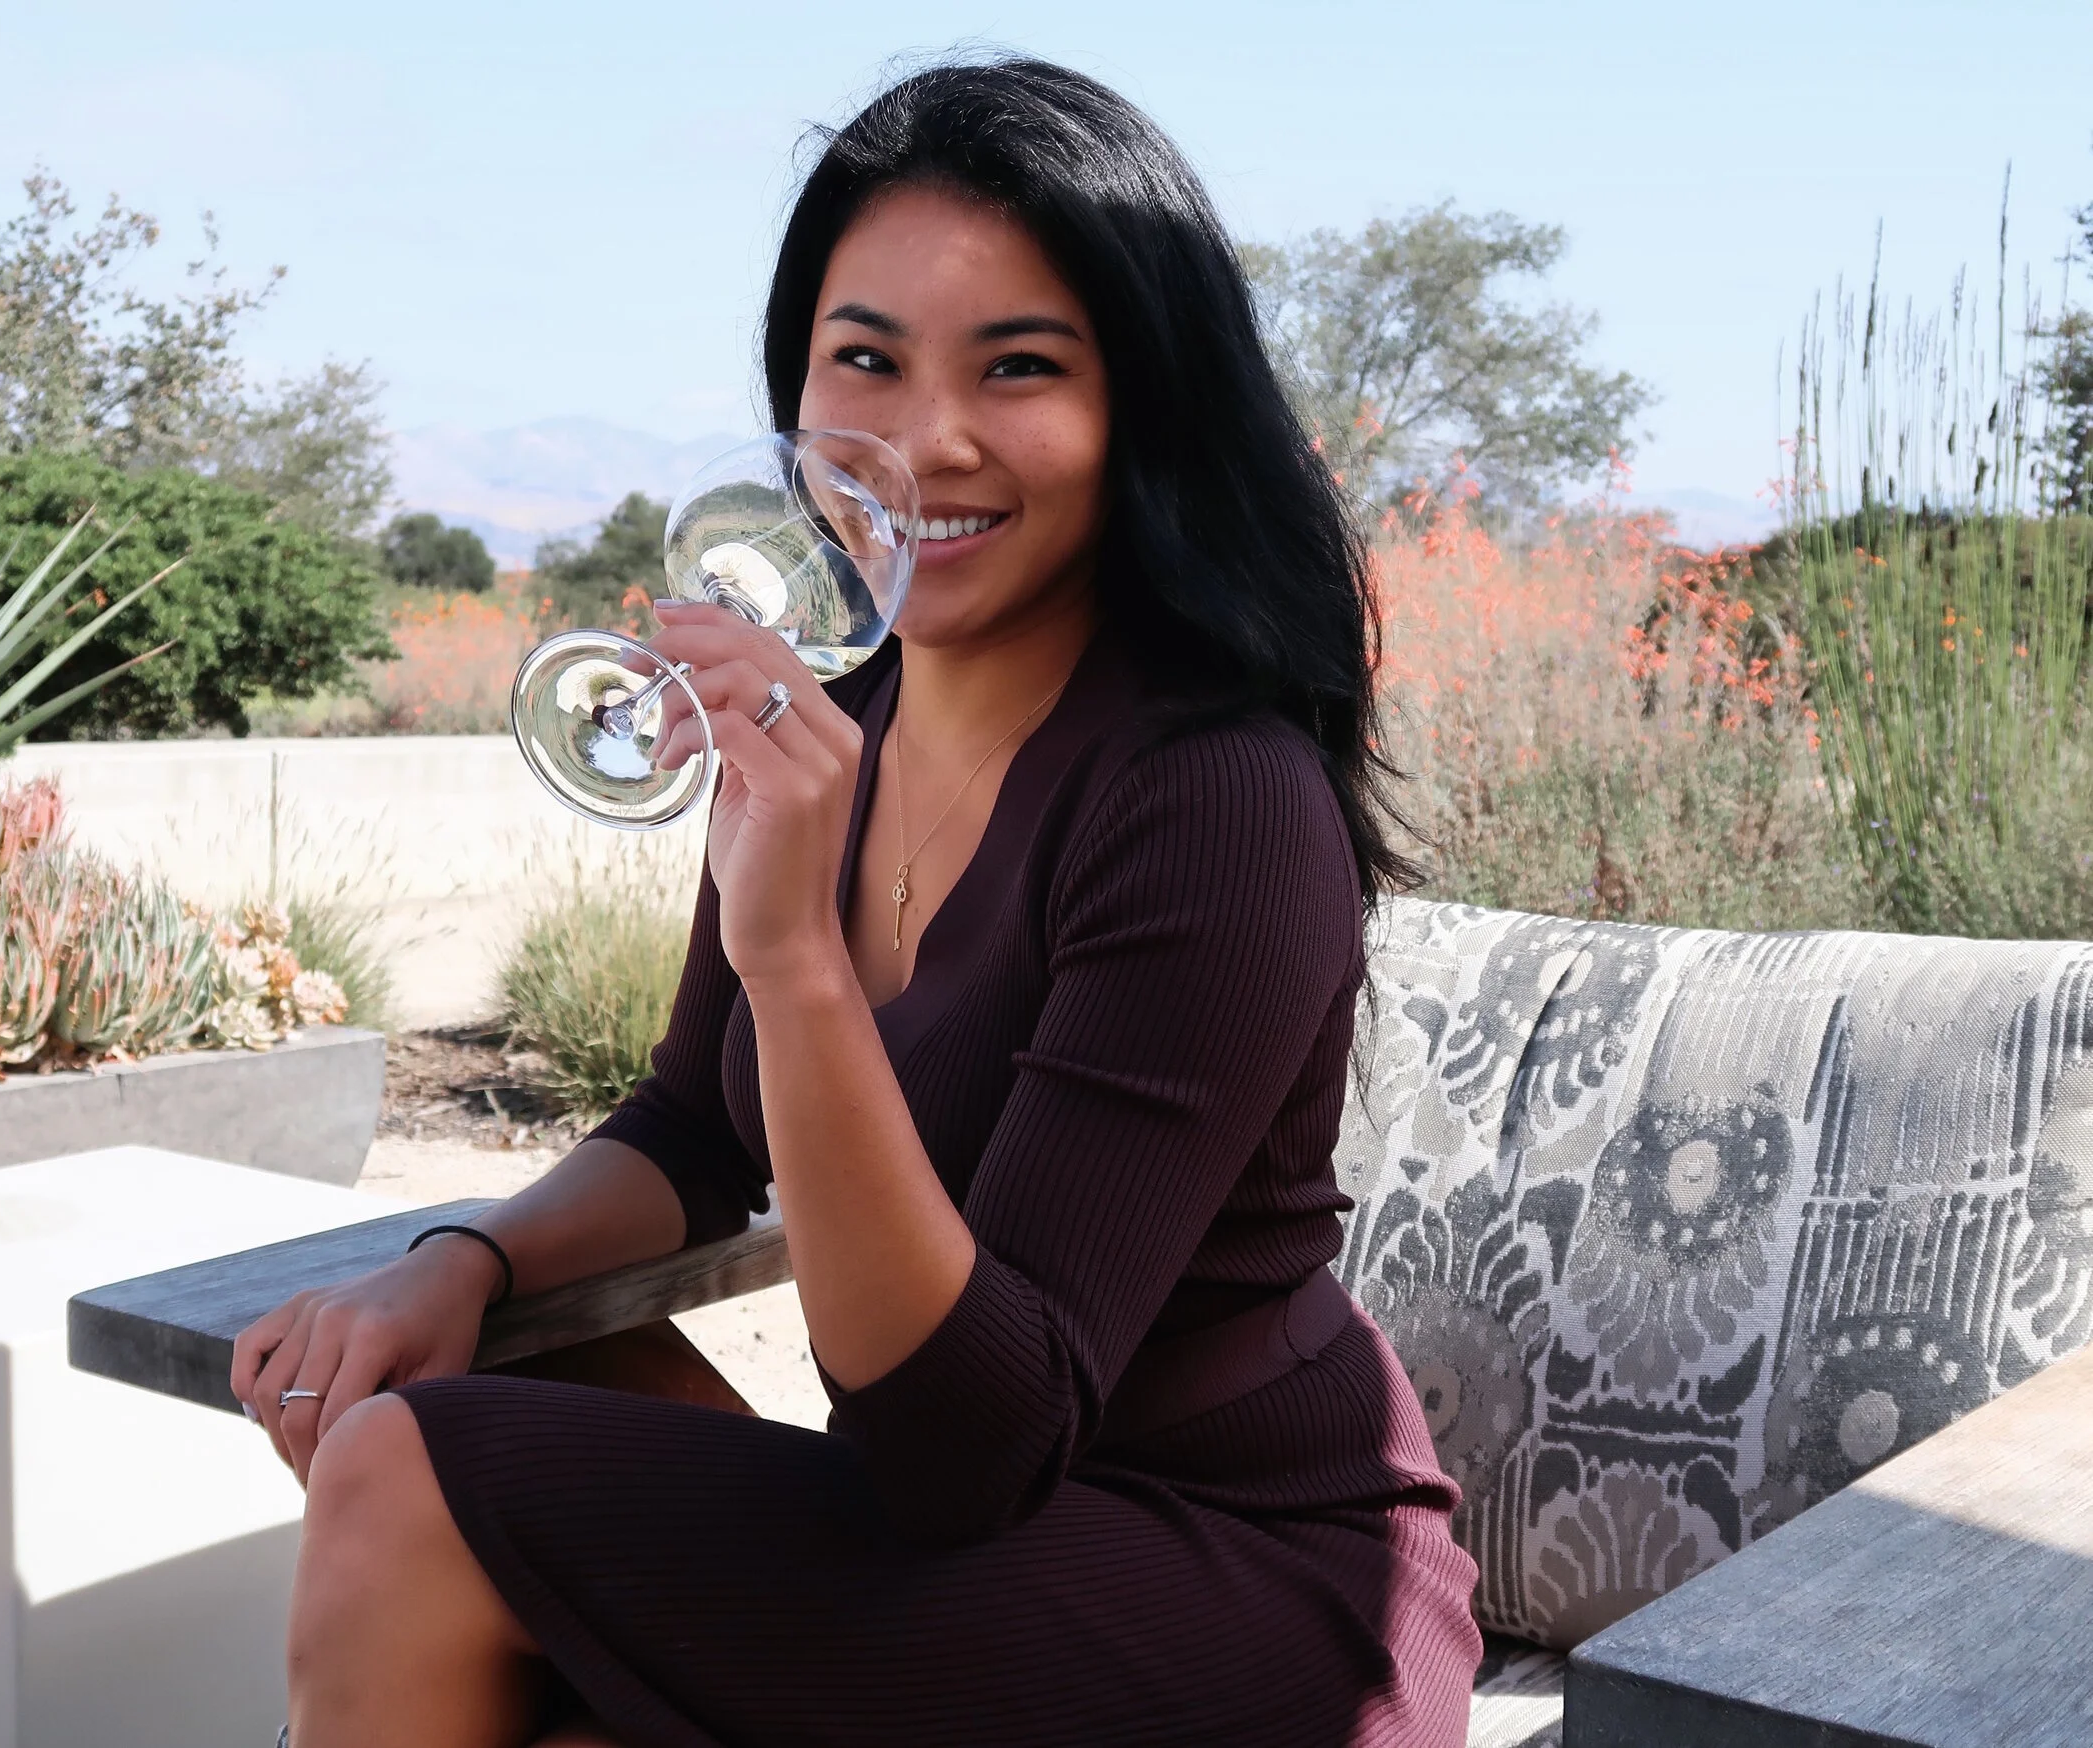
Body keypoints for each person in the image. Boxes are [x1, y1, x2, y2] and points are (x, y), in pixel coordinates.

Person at [234, 58, 1480, 1748]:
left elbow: (967, 1447)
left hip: (1235, 1584)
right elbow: (691, 1130)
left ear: (1143, 404)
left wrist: (795, 957)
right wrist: (460, 1258)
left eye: (1019, 368)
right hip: (965, 1539)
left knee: (407, 1474)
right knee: (471, 1382)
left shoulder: (1214, 800)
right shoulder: (839, 727)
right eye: (867, 362)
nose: (920, 446)